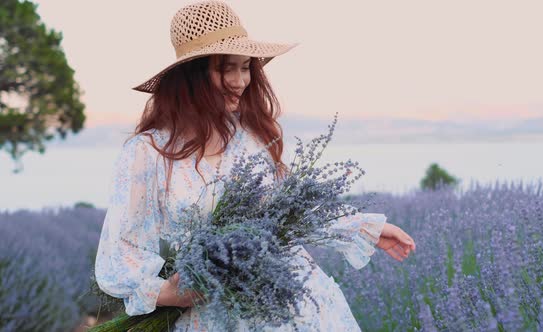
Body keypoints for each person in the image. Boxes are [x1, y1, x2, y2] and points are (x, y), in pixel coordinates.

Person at [94, 1, 416, 331]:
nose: (239, 81)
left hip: (298, 306)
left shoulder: (251, 138)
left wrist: (363, 227)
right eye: (225, 69)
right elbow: (120, 250)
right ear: (191, 76)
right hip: (215, 316)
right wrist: (168, 292)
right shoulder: (149, 153)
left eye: (245, 67)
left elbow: (289, 213)